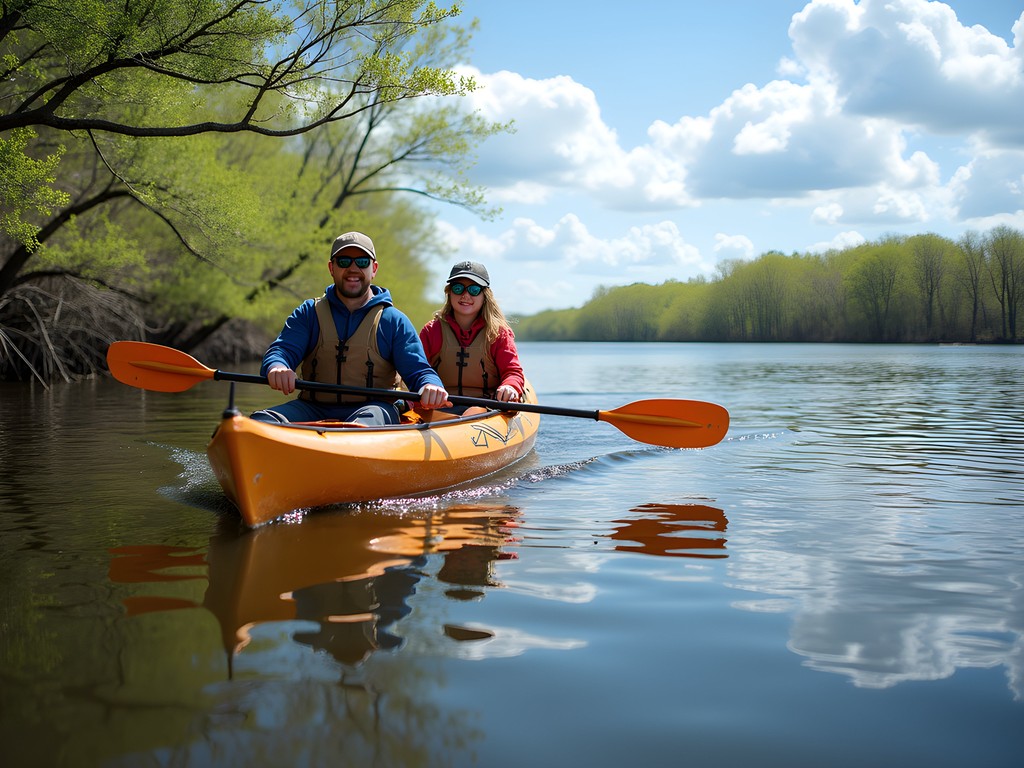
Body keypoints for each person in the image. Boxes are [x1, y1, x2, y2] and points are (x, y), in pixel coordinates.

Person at [253, 231, 450, 425]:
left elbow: (419, 371)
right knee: (261, 421)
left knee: (363, 424)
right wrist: (277, 366)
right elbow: (282, 350)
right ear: (332, 268)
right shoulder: (309, 313)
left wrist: (430, 385)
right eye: (344, 261)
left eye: (362, 262)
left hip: (374, 409)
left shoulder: (393, 321)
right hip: (312, 407)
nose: (353, 269)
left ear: (374, 269)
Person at [418, 260, 525, 414]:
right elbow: (418, 370)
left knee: (474, 411)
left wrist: (510, 387)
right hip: (440, 408)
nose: (465, 295)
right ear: (449, 292)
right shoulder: (432, 330)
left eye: (474, 290)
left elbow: (512, 372)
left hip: (485, 406)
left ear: (484, 295)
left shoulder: (498, 333)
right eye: (458, 288)